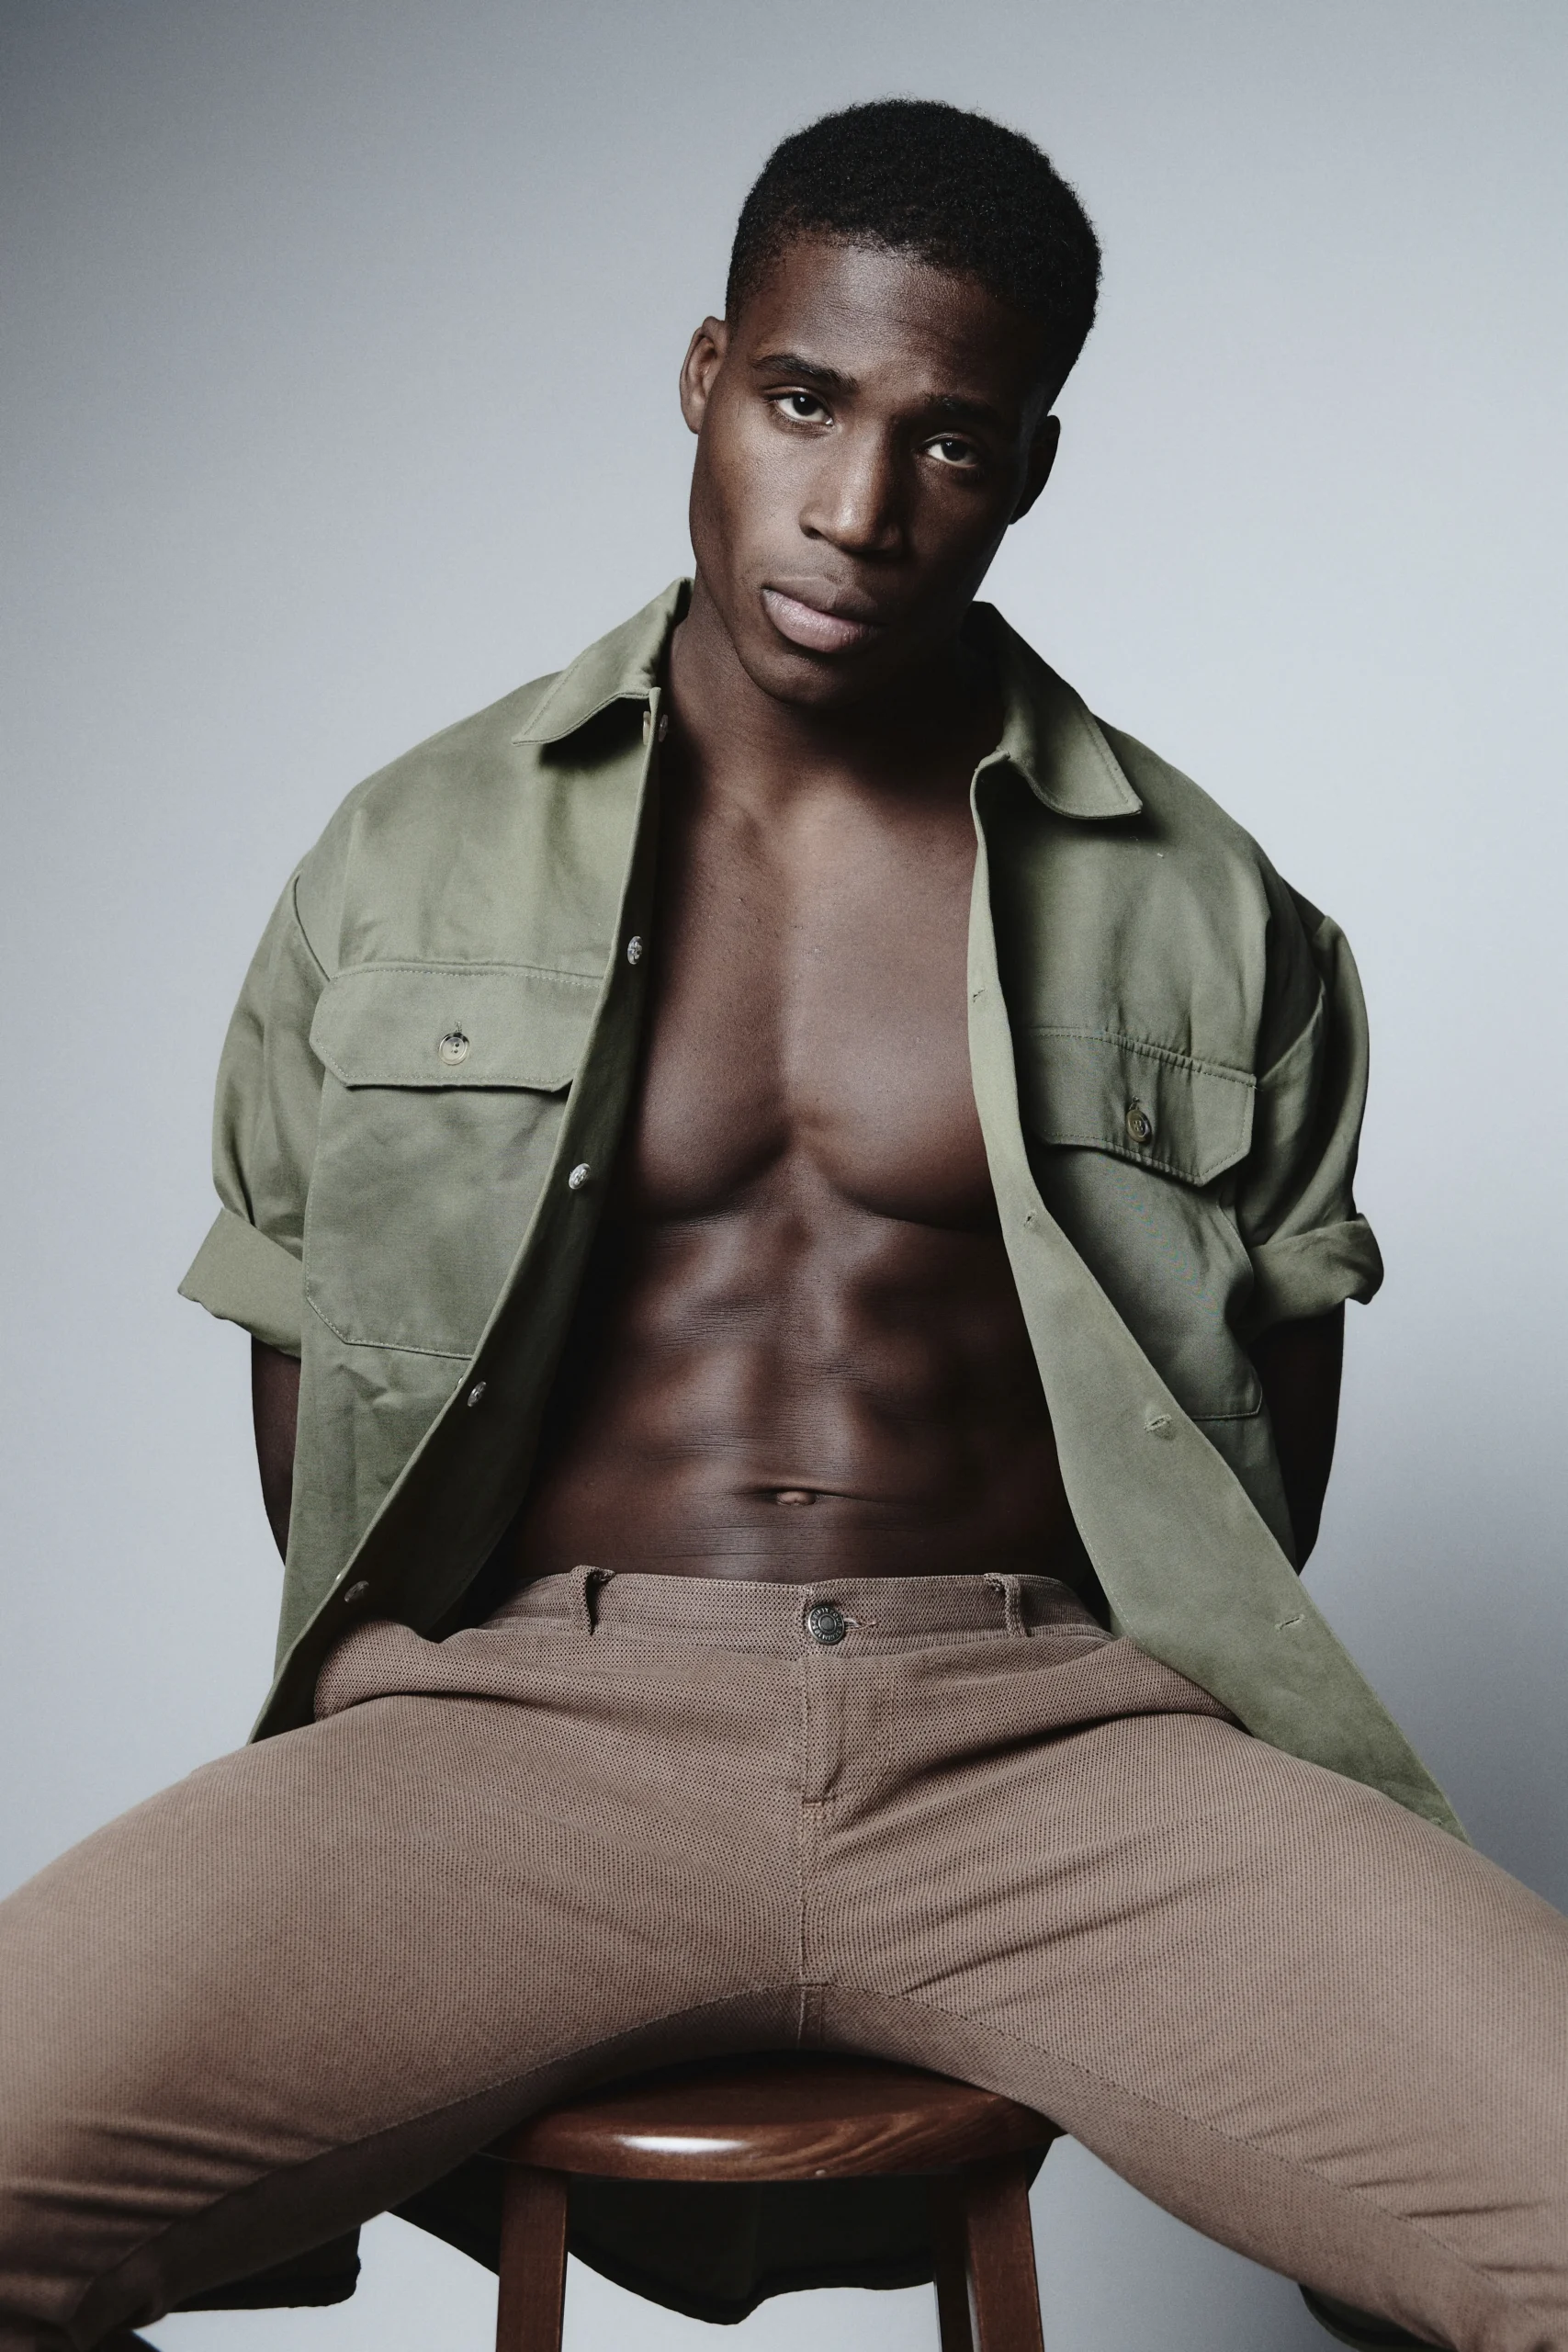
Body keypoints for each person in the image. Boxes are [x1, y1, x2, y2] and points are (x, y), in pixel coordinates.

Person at [0, 99, 1562, 2352]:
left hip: (1054, 1742)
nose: (854, 507)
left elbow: (1253, 1473)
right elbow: (320, 1410)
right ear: (707, 373)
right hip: (524, 1732)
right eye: (806, 401)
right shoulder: (403, 857)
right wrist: (440, 1714)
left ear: (1026, 472)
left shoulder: (1217, 913)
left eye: (950, 442)